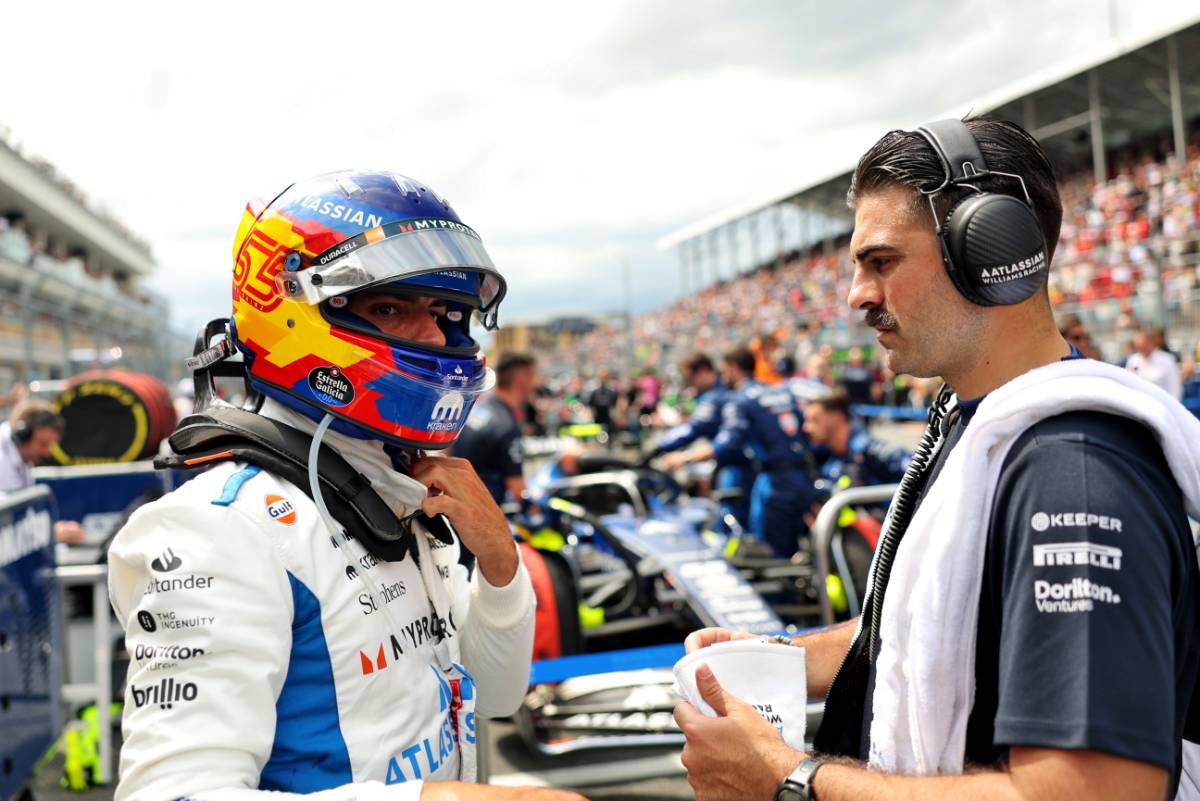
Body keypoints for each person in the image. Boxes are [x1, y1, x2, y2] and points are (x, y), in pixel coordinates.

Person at [674, 118, 1200, 801]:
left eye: (881, 261)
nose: (858, 294)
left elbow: (1097, 791)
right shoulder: (982, 425)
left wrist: (786, 778)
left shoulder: (1071, 470)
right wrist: (784, 659)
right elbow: (924, 625)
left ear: (990, 250)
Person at [106, 170, 582, 801]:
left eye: (444, 313)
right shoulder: (220, 528)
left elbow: (495, 695)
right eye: (389, 308)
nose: (435, 337)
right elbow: (171, 795)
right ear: (293, 313)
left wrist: (499, 561)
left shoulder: (398, 483)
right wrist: (433, 798)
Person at [668, 346, 816, 559]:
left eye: (724, 371)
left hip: (774, 484)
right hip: (804, 478)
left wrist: (684, 458)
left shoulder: (740, 399)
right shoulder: (782, 391)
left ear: (733, 368)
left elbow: (726, 443)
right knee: (803, 550)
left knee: (770, 557)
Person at [655, 353, 750, 527]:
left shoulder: (716, 395)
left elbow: (696, 428)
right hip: (741, 466)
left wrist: (659, 447)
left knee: (730, 523)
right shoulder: (726, 390)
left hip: (737, 467)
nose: (691, 384)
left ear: (704, 371)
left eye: (691, 378)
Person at [451, 352, 537, 506]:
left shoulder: (476, 408)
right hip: (478, 509)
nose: (536, 383)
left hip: (454, 496)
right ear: (522, 380)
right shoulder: (507, 428)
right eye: (533, 376)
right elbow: (518, 491)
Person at [0, 399, 85, 543]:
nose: (47, 453)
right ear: (22, 434)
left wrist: (50, 529)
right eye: (43, 444)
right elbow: (7, 527)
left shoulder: (20, 456)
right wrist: (49, 533)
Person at [802, 393, 909, 487]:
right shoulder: (826, 458)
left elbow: (912, 468)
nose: (806, 428)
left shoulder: (868, 450)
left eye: (814, 420)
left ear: (837, 418)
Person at [1126, 327, 1182, 399]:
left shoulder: (1167, 359)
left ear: (1151, 342)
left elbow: (1174, 387)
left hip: (1162, 402)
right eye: (1138, 346)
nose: (1141, 348)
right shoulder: (1132, 360)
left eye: (1143, 345)